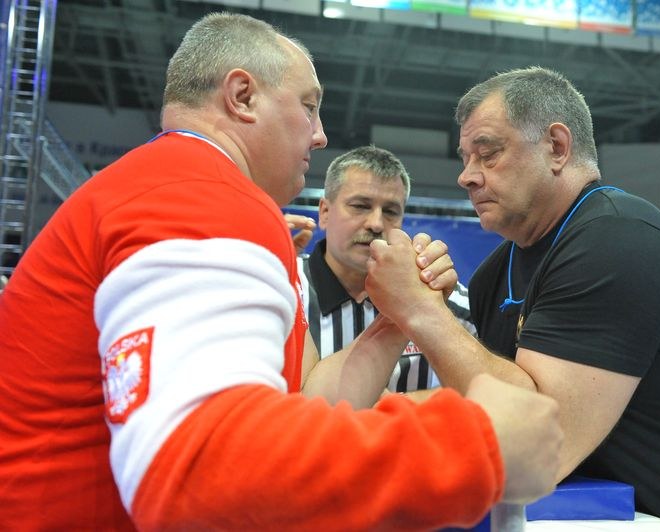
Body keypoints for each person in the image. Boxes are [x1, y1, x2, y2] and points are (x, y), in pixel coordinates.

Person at [0, 16, 564, 531]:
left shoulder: (174, 185)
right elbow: (198, 474)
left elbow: (307, 405)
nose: (320, 135)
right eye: (310, 105)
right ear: (243, 96)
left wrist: (398, 317)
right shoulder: (198, 194)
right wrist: (475, 446)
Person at [364, 66, 660, 530]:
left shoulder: (620, 238)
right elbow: (493, 422)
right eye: (465, 158)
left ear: (556, 147)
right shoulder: (499, 271)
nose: (466, 177)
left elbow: (543, 446)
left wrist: (421, 310)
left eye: (487, 154)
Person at [300, 145, 475, 394]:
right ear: (325, 212)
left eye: (391, 211)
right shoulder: (283, 289)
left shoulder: (444, 302)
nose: (376, 223)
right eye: (360, 206)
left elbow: (495, 397)